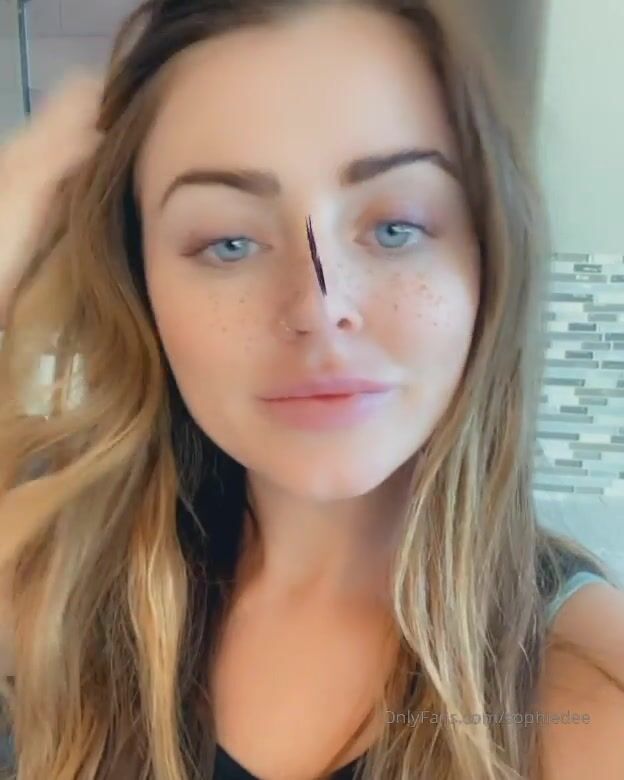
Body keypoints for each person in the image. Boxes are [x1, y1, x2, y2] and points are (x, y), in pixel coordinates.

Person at [0, 1, 623, 778]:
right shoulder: (66, 580)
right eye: (230, 242)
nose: (320, 309)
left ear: (489, 260)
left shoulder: (590, 701)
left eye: (395, 227)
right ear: (141, 283)